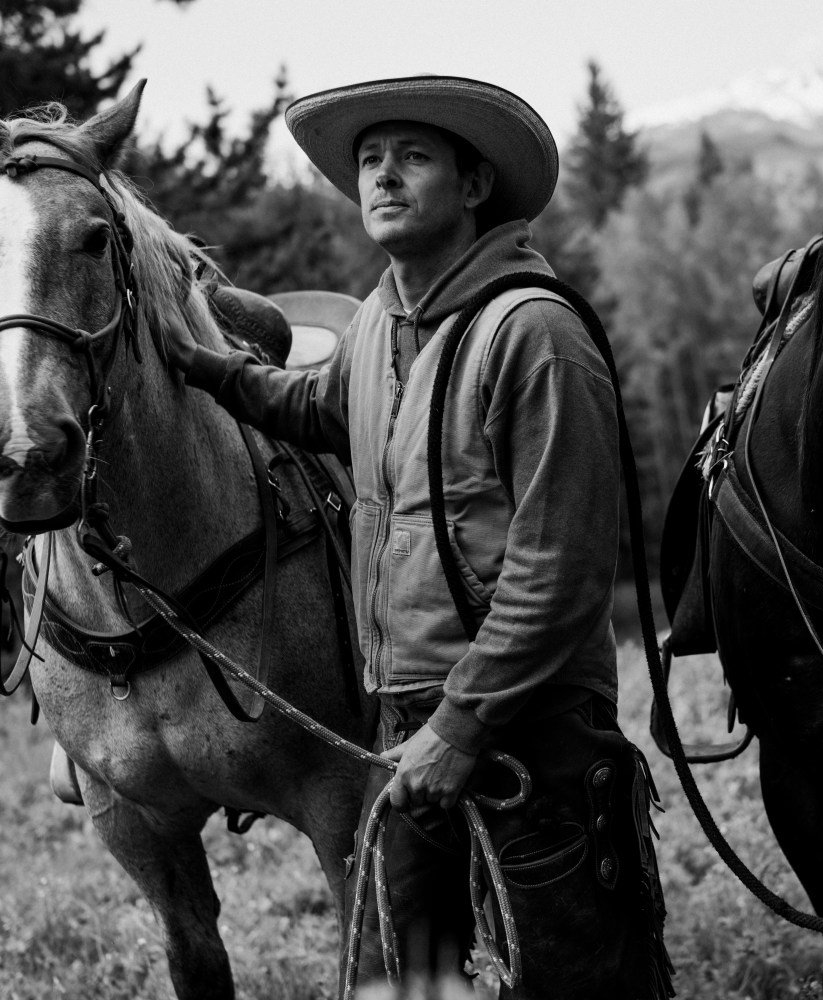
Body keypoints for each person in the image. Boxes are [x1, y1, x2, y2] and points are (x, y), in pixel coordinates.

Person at [161, 76, 673, 999]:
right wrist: (200, 365)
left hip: (531, 730)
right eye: (368, 160)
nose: (382, 177)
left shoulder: (535, 334)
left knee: (579, 981)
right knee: (404, 981)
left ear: (474, 186)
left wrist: (462, 727)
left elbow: (559, 573)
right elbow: (311, 407)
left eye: (412, 156)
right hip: (403, 727)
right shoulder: (379, 327)